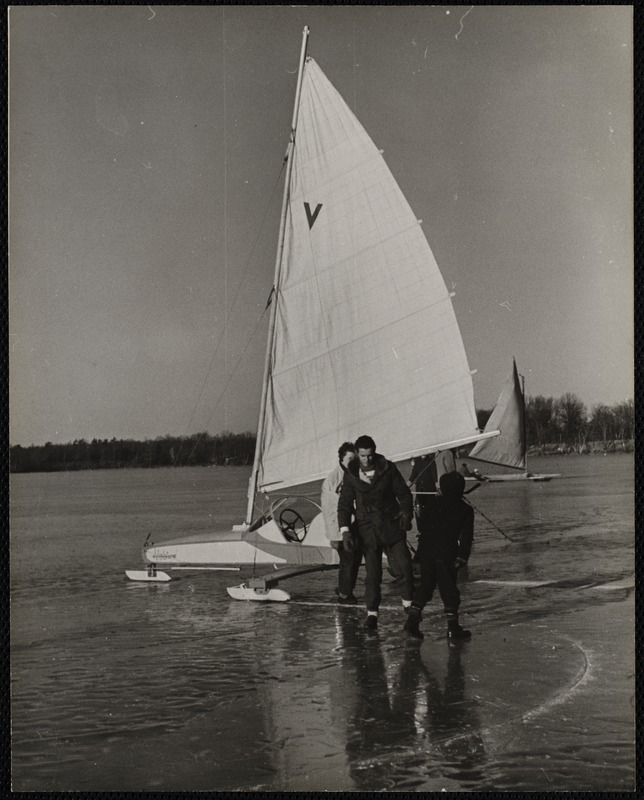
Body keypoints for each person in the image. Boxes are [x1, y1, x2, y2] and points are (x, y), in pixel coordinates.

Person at [338, 435, 414, 630]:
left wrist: (406, 513)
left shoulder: (388, 468)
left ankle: (409, 605)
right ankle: (372, 614)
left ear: (375, 451)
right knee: (373, 575)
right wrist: (345, 531)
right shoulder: (351, 474)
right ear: (357, 454)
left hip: (391, 526)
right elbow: (345, 505)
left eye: (370, 455)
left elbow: (403, 494)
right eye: (363, 456)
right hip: (368, 531)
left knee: (404, 566)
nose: (367, 460)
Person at [403, 471, 474, 641]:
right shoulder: (465, 509)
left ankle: (411, 623)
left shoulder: (432, 504)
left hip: (427, 553)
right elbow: (466, 537)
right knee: (449, 590)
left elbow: (423, 529)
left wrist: (419, 555)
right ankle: (453, 628)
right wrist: (462, 557)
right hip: (447, 555)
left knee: (425, 587)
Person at [320, 442, 363, 604]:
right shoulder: (333, 480)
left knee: (356, 559)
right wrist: (335, 535)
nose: (353, 461)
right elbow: (331, 508)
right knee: (348, 560)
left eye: (355, 458)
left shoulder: (354, 474)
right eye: (350, 458)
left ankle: (345, 587)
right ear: (342, 459)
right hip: (340, 527)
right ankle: (345, 594)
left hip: (355, 525)